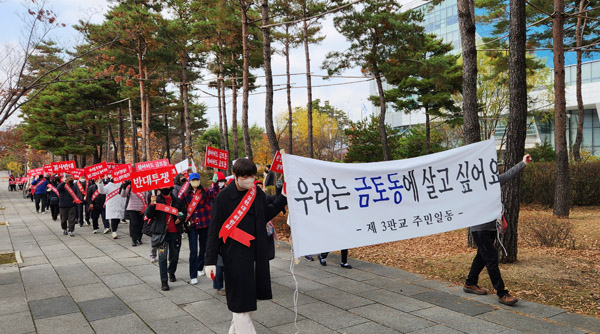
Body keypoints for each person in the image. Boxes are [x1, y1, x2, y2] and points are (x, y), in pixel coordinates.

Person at [205, 158, 287, 333]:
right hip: (234, 256)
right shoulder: (223, 198)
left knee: (248, 303)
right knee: (241, 304)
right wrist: (209, 260)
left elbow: (267, 214)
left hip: (256, 254)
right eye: (245, 176)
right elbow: (213, 231)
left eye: (252, 176)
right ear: (235, 176)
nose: (249, 179)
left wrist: (283, 197)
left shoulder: (256, 193)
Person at [463, 154, 532, 306]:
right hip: (479, 229)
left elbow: (508, 175)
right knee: (491, 258)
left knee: (482, 256)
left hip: (491, 227)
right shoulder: (471, 187)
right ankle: (502, 293)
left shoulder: (493, 182)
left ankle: (470, 282)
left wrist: (523, 162)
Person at [146, 187, 185, 291]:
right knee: (162, 257)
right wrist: (152, 204)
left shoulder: (177, 200)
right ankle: (164, 281)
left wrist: (180, 218)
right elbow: (148, 215)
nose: (165, 189)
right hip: (162, 234)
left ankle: (171, 272)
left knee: (174, 257)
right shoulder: (156, 199)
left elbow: (182, 212)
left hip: (175, 233)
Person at [184, 172, 220, 285]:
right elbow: (184, 209)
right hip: (193, 225)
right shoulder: (186, 195)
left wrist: (215, 182)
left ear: (199, 181)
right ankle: (193, 275)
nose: (195, 181)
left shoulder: (205, 192)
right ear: (189, 181)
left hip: (205, 224)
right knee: (193, 250)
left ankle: (200, 267)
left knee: (204, 248)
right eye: (193, 180)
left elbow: (215, 194)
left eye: (196, 179)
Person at [121, 180, 148, 247]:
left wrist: (145, 208)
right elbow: (123, 195)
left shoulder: (144, 186)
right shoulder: (130, 187)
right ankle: (134, 239)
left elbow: (146, 199)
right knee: (134, 223)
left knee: (140, 224)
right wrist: (124, 187)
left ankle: (139, 238)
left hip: (141, 208)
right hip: (132, 208)